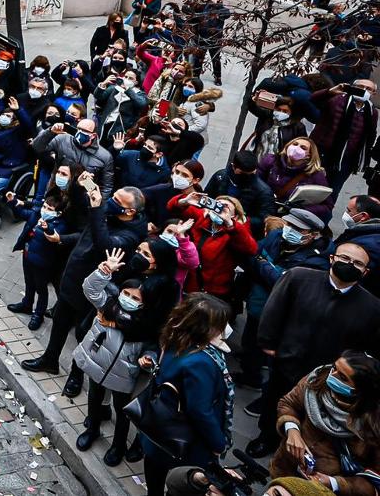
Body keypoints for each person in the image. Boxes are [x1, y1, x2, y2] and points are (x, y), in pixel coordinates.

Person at [250, 242, 380, 457]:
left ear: (365, 272)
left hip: (329, 376)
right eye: (345, 258)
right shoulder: (298, 277)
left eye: (357, 263)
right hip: (287, 361)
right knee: (275, 400)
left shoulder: (373, 307)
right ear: (332, 259)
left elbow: (368, 347)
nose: (349, 264)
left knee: (314, 413)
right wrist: (269, 343)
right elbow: (274, 310)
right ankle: (266, 438)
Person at [22, 175, 146, 399]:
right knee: (59, 321)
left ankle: (76, 374)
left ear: (130, 212)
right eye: (114, 196)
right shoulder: (106, 211)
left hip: (93, 292)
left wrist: (98, 209)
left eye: (118, 200)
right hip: (72, 278)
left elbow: (104, 246)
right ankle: (50, 359)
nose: (111, 201)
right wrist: (87, 182)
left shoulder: (131, 235)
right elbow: (92, 203)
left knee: (83, 334)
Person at [73, 243, 176, 466]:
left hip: (125, 367)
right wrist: (104, 271)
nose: (138, 256)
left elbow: (152, 333)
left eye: (146, 254)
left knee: (122, 408)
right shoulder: (114, 300)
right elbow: (92, 290)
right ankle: (93, 428)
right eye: (139, 251)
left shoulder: (162, 295)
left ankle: (119, 444)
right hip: (100, 359)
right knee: (94, 395)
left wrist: (120, 324)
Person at [141, 294, 235, 496]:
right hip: (184, 438)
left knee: (154, 476)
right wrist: (218, 443)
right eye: (220, 324)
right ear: (204, 328)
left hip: (158, 429)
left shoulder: (174, 338)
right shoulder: (201, 361)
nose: (224, 330)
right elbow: (200, 410)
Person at [238, 208, 328, 389]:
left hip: (281, 312)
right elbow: (253, 254)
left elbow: (284, 282)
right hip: (258, 301)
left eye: (298, 229)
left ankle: (254, 378)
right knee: (250, 341)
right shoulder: (277, 236)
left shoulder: (317, 260)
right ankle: (250, 367)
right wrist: (266, 266)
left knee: (267, 347)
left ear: (313, 235)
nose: (290, 230)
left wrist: (263, 263)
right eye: (289, 224)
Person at [270, 351, 380, 494]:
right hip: (284, 469)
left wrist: (334, 483)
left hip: (320, 491)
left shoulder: (373, 425)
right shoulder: (317, 379)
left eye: (342, 377)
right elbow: (289, 403)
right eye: (334, 368)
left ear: (360, 390)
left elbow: (375, 479)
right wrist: (292, 430)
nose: (331, 375)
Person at [170, 193, 257, 302]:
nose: (219, 209)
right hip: (190, 282)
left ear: (234, 216)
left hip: (213, 290)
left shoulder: (236, 231)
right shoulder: (202, 219)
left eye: (225, 208)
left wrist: (229, 224)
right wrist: (184, 201)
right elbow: (172, 208)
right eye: (217, 205)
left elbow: (250, 248)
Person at [7, 184, 72, 330]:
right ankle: (26, 304)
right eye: (44, 207)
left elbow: (55, 235)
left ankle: (38, 314)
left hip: (43, 263)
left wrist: (47, 228)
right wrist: (12, 201)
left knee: (41, 290)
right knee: (29, 283)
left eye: (50, 209)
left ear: (58, 213)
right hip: (28, 256)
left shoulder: (59, 225)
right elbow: (22, 212)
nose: (45, 211)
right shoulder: (36, 215)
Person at [309, 79, 378, 200]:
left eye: (368, 89)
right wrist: (330, 91)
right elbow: (313, 100)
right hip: (321, 154)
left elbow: (370, 135)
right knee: (309, 187)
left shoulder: (372, 111)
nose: (364, 90)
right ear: (352, 87)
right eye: (360, 87)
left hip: (347, 161)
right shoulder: (336, 100)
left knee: (331, 193)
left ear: (374, 93)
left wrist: (363, 158)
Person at [30, 117, 116, 198]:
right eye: (78, 128)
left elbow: (106, 186)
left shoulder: (104, 156)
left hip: (81, 199)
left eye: (84, 130)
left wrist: (97, 205)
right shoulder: (62, 139)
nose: (79, 132)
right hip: (57, 193)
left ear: (93, 135)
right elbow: (37, 147)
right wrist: (50, 132)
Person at [259, 137, 335, 223]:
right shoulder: (270, 161)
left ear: (309, 155)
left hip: (290, 218)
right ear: (288, 146)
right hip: (264, 208)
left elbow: (328, 206)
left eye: (303, 148)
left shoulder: (315, 175)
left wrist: (303, 210)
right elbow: (256, 183)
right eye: (295, 144)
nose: (296, 148)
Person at [205, 149, 276, 241]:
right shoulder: (220, 176)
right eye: (242, 173)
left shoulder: (263, 191)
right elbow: (207, 196)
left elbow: (265, 219)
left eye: (251, 174)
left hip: (238, 233)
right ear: (233, 167)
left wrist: (242, 220)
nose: (247, 177)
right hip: (211, 224)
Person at [332, 195, 380, 296]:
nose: (346, 214)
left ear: (363, 216)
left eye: (349, 211)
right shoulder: (363, 232)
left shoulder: (365, 245)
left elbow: (351, 275)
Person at [246, 95, 308, 160]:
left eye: (285, 111)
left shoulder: (297, 127)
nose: (280, 113)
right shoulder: (269, 118)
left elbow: (303, 144)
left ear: (291, 113)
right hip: (259, 157)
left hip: (279, 162)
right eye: (278, 110)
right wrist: (253, 99)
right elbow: (254, 109)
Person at [95, 67, 149, 140]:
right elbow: (99, 96)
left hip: (121, 128)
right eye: (126, 77)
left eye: (130, 78)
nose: (126, 79)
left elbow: (142, 104)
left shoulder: (139, 94)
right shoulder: (115, 88)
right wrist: (104, 83)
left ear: (136, 82)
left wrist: (127, 90)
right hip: (105, 123)